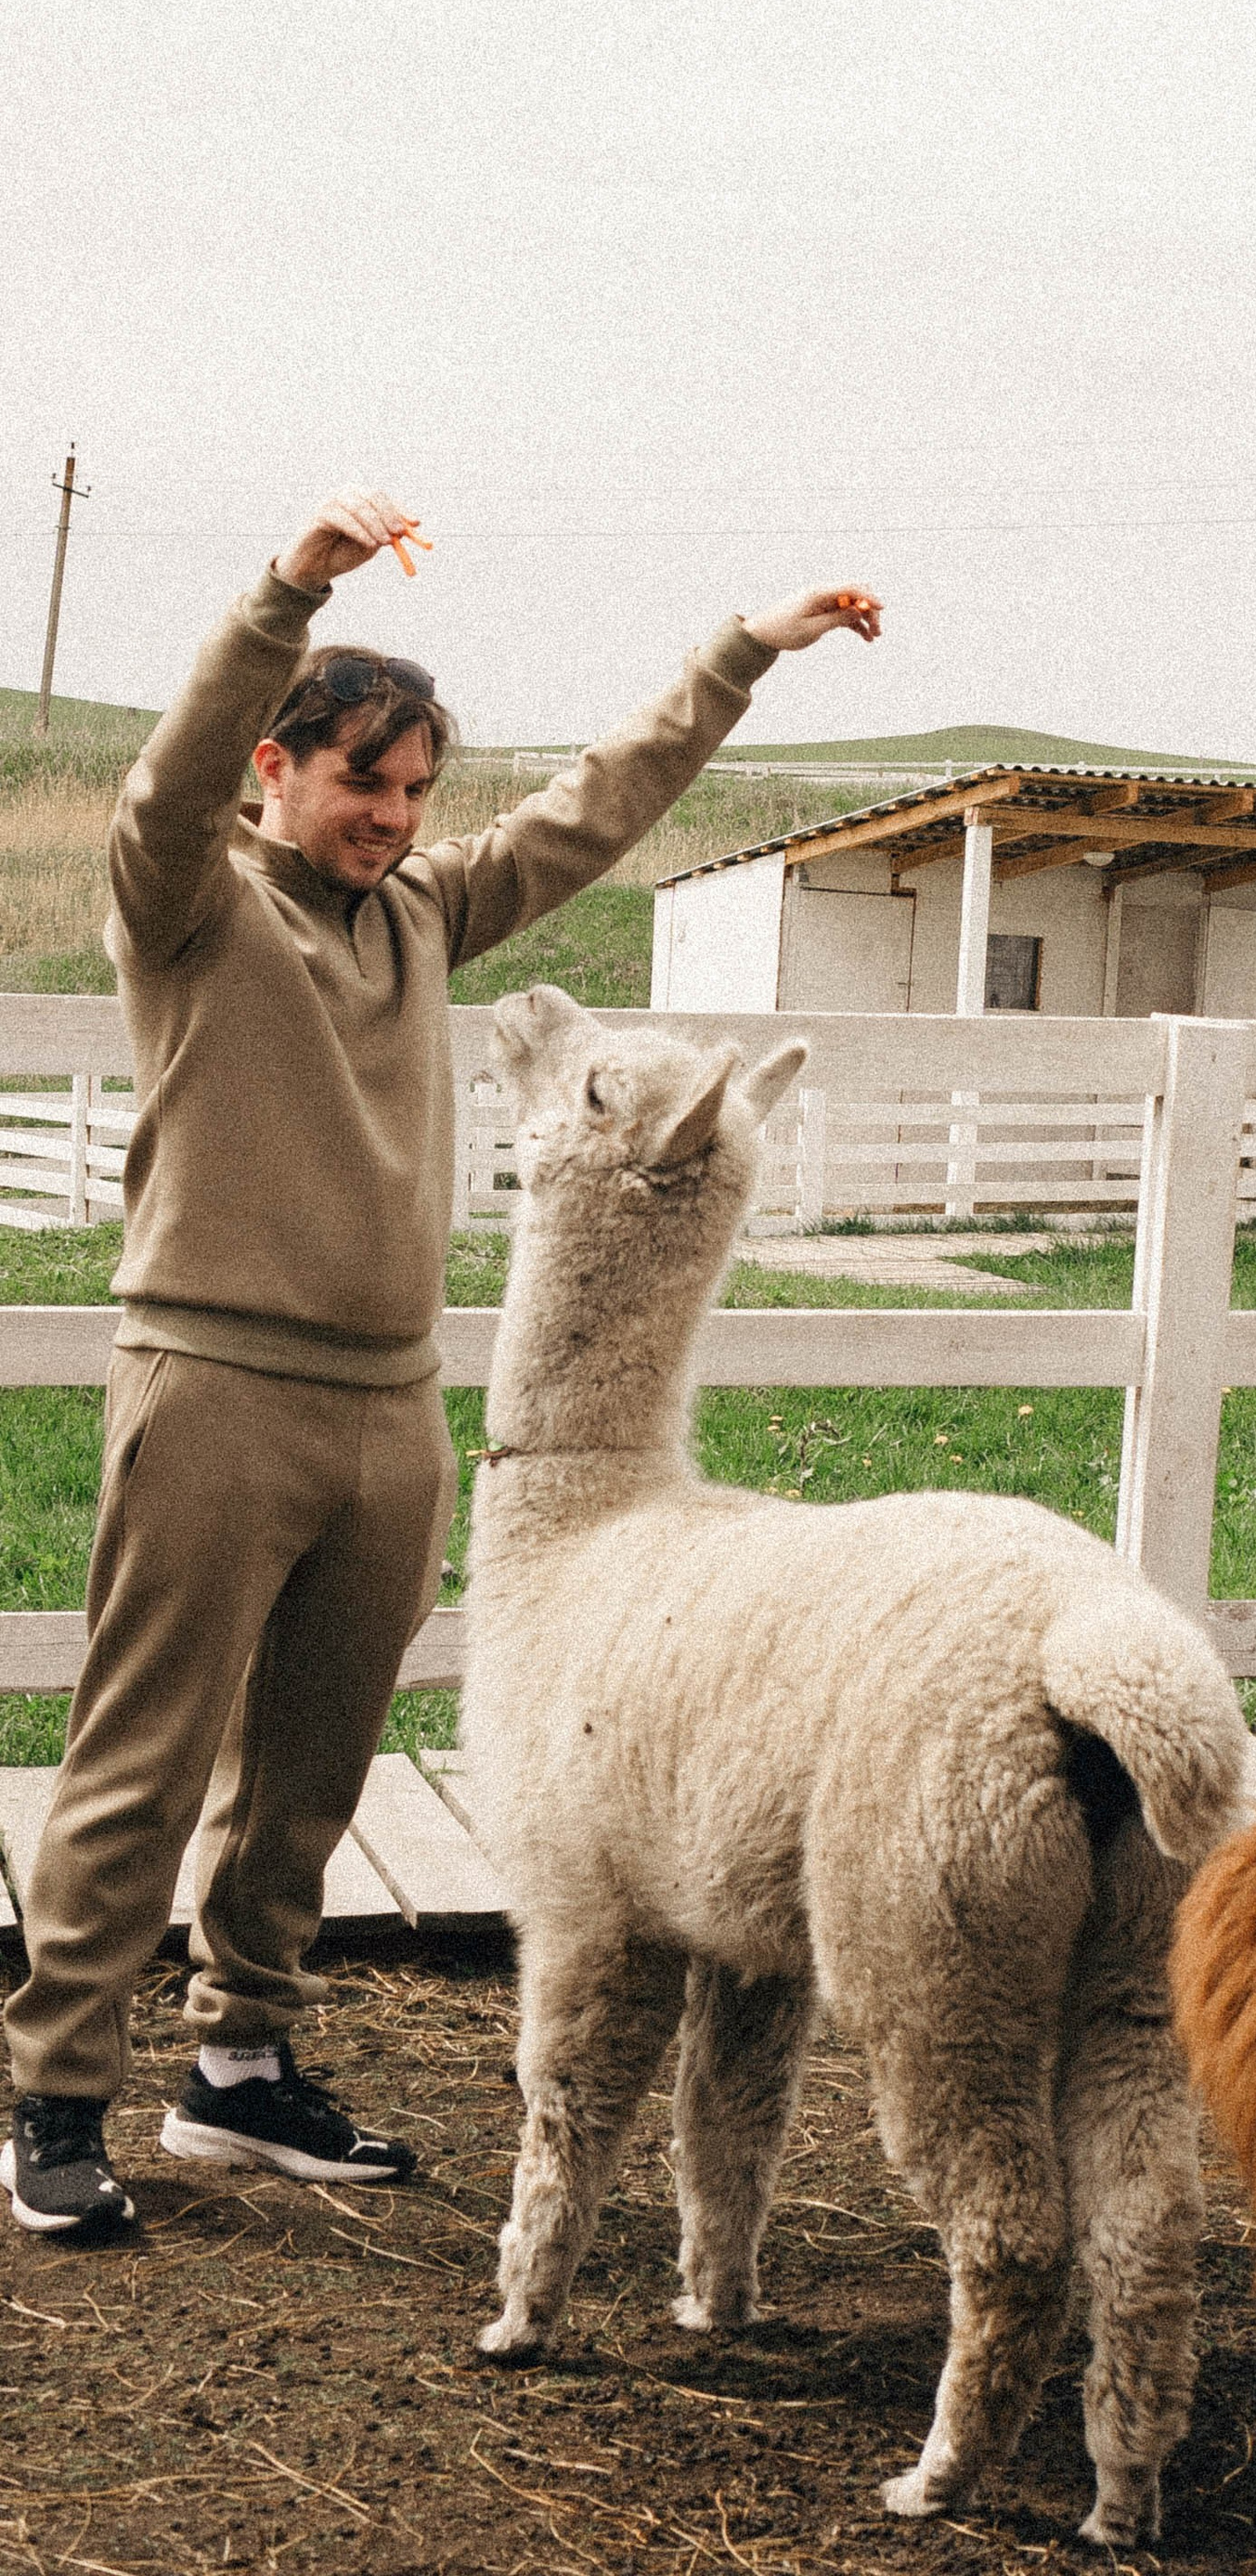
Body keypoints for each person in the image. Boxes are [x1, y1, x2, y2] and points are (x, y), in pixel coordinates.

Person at [3, 488, 879, 2235]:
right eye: (360, 787)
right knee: (145, 1756)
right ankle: (52, 2098)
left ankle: (239, 2073)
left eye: (413, 794)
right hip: (213, 1389)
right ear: (279, 771)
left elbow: (594, 810)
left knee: (310, 1770)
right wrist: (282, 593)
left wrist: (737, 659)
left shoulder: (419, 916)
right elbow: (161, 781)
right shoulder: (186, 906)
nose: (391, 822)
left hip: (392, 1408)